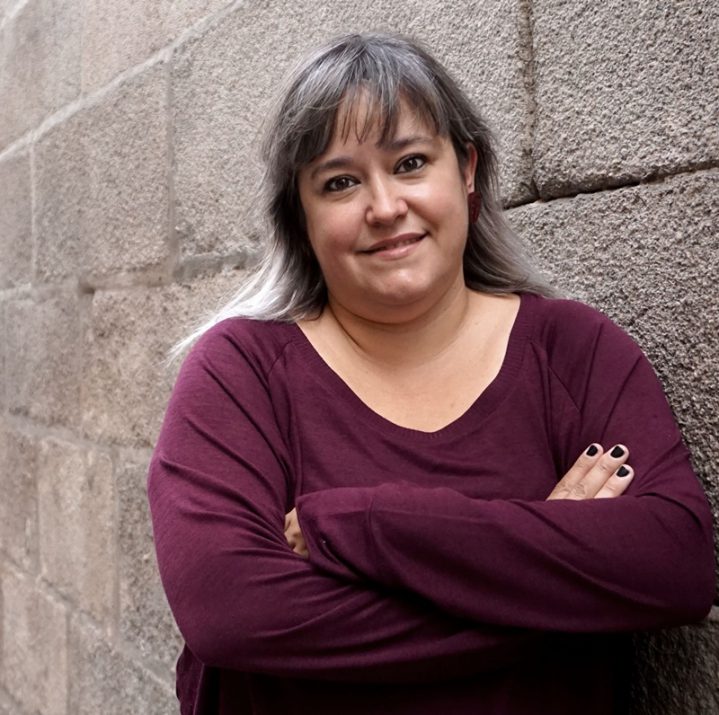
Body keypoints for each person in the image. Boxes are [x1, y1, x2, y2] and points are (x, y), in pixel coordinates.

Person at [148, 32, 714, 715]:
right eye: (339, 182)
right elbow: (232, 614)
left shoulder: (574, 352)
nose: (385, 207)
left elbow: (674, 565)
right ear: (300, 215)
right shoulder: (241, 372)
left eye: (410, 162)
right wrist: (552, 572)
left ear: (467, 169)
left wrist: (361, 521)